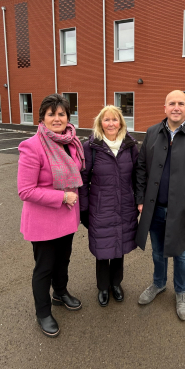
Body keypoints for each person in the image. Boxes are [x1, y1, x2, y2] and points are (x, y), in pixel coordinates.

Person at [135, 90, 185, 320]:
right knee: (158, 252)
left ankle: (181, 291)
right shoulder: (151, 133)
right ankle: (158, 283)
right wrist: (140, 199)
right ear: (165, 107)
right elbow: (140, 169)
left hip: (183, 212)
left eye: (181, 103)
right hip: (155, 209)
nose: (176, 107)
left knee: (182, 254)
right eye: (172, 103)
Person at [17, 94, 85, 337]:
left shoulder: (71, 142)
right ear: (42, 118)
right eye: (51, 114)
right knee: (44, 267)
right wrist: (62, 197)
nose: (57, 118)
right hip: (44, 221)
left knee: (63, 260)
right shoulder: (32, 146)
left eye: (61, 114)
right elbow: (25, 190)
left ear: (68, 117)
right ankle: (43, 312)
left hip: (67, 218)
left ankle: (60, 292)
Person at [79, 105, 138, 307]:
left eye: (115, 119)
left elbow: (138, 176)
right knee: (103, 249)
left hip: (125, 207)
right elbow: (82, 180)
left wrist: (139, 201)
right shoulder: (90, 147)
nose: (111, 123)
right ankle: (103, 287)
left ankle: (116, 284)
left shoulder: (130, 146)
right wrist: (84, 210)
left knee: (119, 246)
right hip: (100, 208)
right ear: (100, 123)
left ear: (121, 122)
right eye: (106, 119)